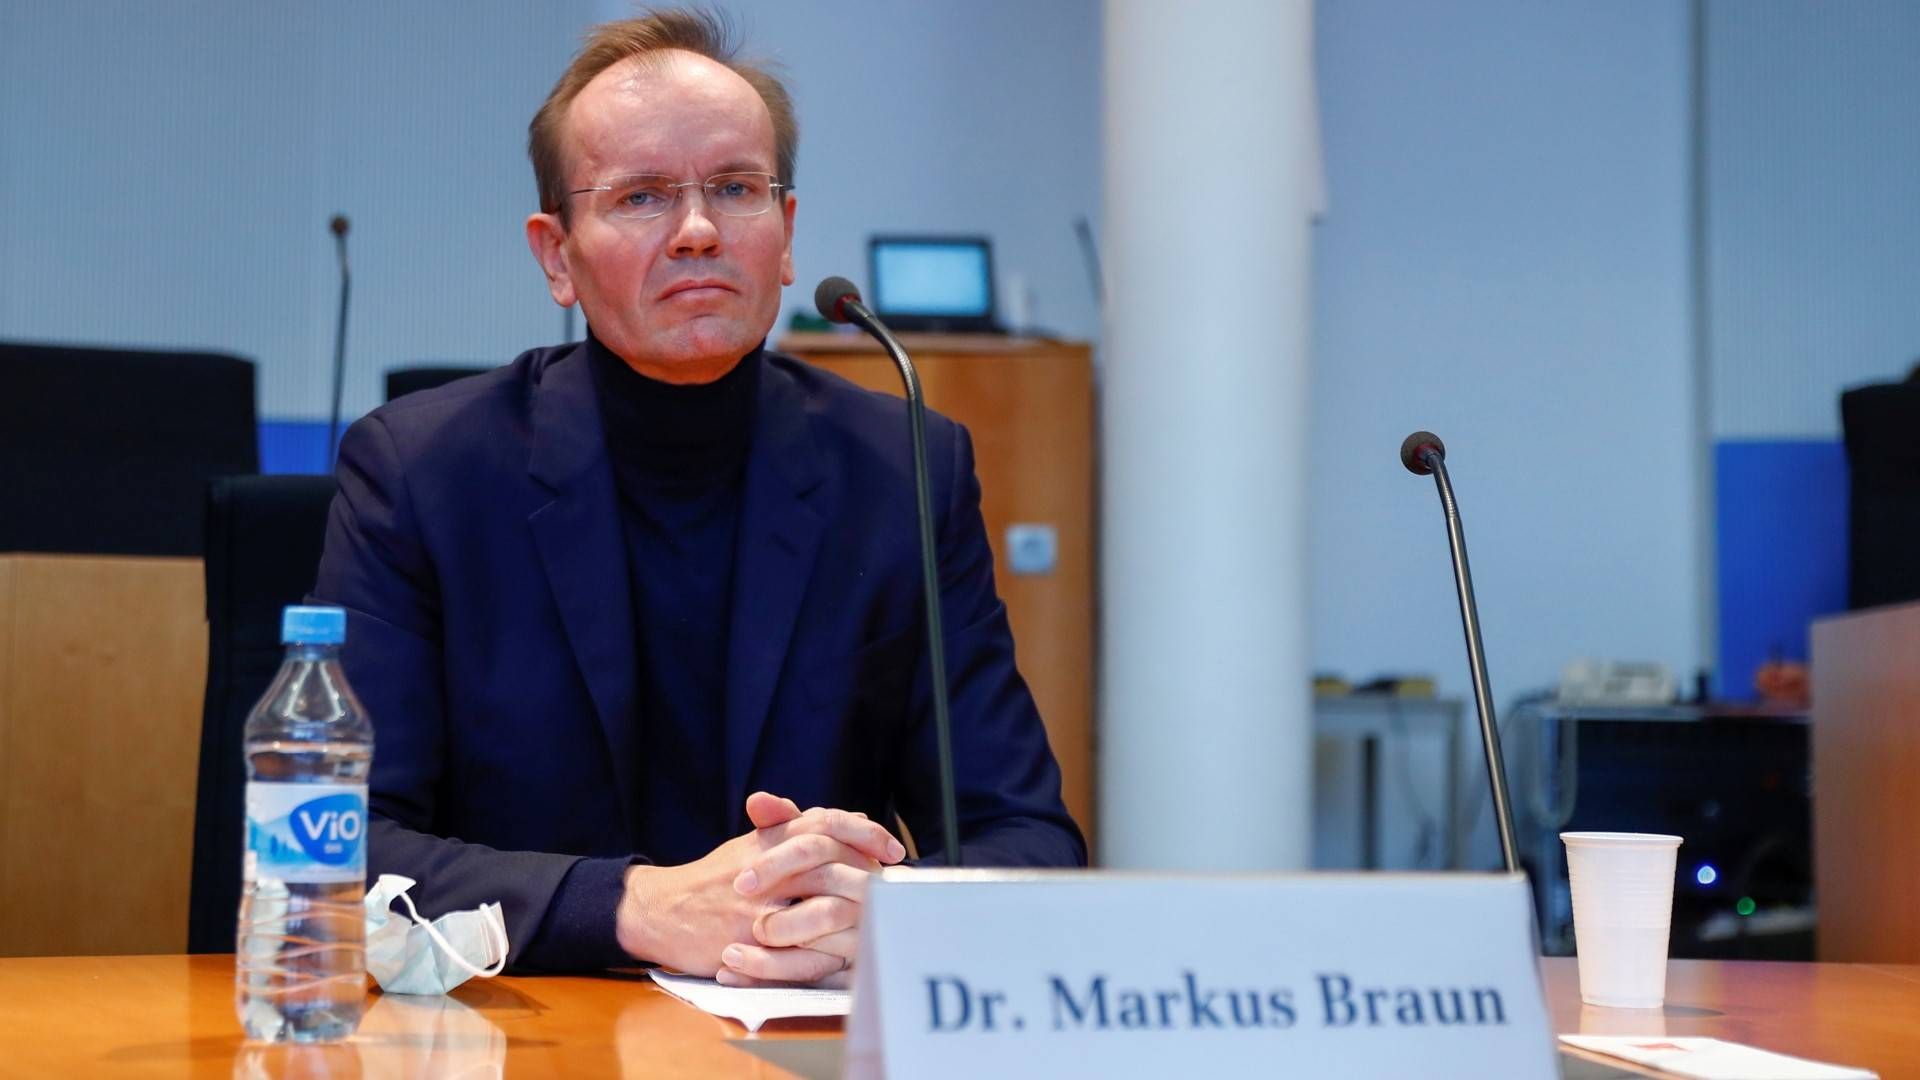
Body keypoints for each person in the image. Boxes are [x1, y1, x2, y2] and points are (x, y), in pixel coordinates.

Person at [312, 9, 1084, 987]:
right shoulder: (422, 474)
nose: (699, 231)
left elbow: (1026, 840)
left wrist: (883, 912)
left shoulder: (902, 473)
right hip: (524, 1036)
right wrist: (638, 907)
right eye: (640, 197)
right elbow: (335, 857)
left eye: (735, 188)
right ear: (556, 255)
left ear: (789, 233)